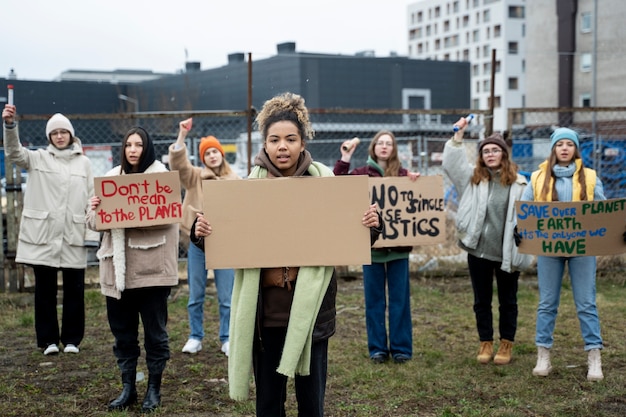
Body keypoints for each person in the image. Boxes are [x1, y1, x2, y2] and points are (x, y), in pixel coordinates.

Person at [194, 92, 382, 417]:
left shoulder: (326, 184)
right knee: (269, 404)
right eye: (275, 139)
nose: (283, 147)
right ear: (264, 144)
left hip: (311, 314)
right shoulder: (245, 190)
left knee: (311, 405)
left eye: (291, 139)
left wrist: (372, 225)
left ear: (302, 141)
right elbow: (224, 240)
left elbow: (351, 233)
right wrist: (202, 234)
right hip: (265, 315)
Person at [86, 127, 179, 412]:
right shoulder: (111, 180)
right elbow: (92, 223)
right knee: (123, 334)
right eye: (128, 145)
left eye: (139, 144)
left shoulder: (161, 180)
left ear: (147, 147)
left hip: (152, 272)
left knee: (155, 334)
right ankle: (128, 388)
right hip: (116, 271)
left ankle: (154, 389)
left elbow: (167, 215)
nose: (133, 149)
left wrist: (128, 211)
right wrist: (95, 209)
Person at [2, 104, 95, 356]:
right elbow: (13, 152)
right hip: (42, 236)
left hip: (73, 234)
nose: (60, 136)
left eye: (64, 132)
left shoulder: (84, 163)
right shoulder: (37, 158)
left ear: (71, 135)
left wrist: (91, 234)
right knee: (45, 290)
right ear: (49, 137)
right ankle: (48, 341)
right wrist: (10, 126)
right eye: (55, 133)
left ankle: (73, 340)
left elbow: (92, 198)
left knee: (75, 289)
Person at [442, 122, 533, 365]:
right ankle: (485, 342)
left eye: (495, 150)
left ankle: (506, 344)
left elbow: (532, 215)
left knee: (508, 301)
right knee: (481, 300)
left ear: (504, 154)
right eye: (486, 151)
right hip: (478, 250)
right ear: (481, 156)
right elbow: (452, 163)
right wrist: (457, 137)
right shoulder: (473, 179)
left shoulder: (520, 184)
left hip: (507, 252)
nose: (490, 154)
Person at [520, 127, 605, 381]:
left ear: (575, 149)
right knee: (547, 303)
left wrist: (616, 230)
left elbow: (602, 210)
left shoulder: (590, 177)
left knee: (586, 302)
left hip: (582, 247)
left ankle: (594, 356)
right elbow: (525, 210)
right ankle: (543, 354)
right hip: (549, 249)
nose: (564, 148)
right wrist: (519, 229)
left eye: (569, 144)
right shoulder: (537, 178)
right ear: (554, 149)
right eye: (560, 144)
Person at [333, 130, 420, 364]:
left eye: (388, 143)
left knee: (400, 301)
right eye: (380, 143)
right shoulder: (361, 174)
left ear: (394, 148)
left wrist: (417, 181)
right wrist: (345, 158)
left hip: (399, 250)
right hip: (371, 249)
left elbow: (418, 197)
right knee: (374, 300)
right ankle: (378, 349)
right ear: (373, 147)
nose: (384, 147)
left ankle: (401, 348)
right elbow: (336, 184)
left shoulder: (403, 175)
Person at [168, 121, 240, 356]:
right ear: (203, 158)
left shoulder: (234, 180)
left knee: (226, 296)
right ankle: (195, 336)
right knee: (195, 293)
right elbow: (178, 164)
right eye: (207, 153)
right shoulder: (194, 177)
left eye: (214, 151)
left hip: (226, 244)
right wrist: (182, 135)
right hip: (198, 245)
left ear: (221, 154)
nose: (211, 155)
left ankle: (227, 337)